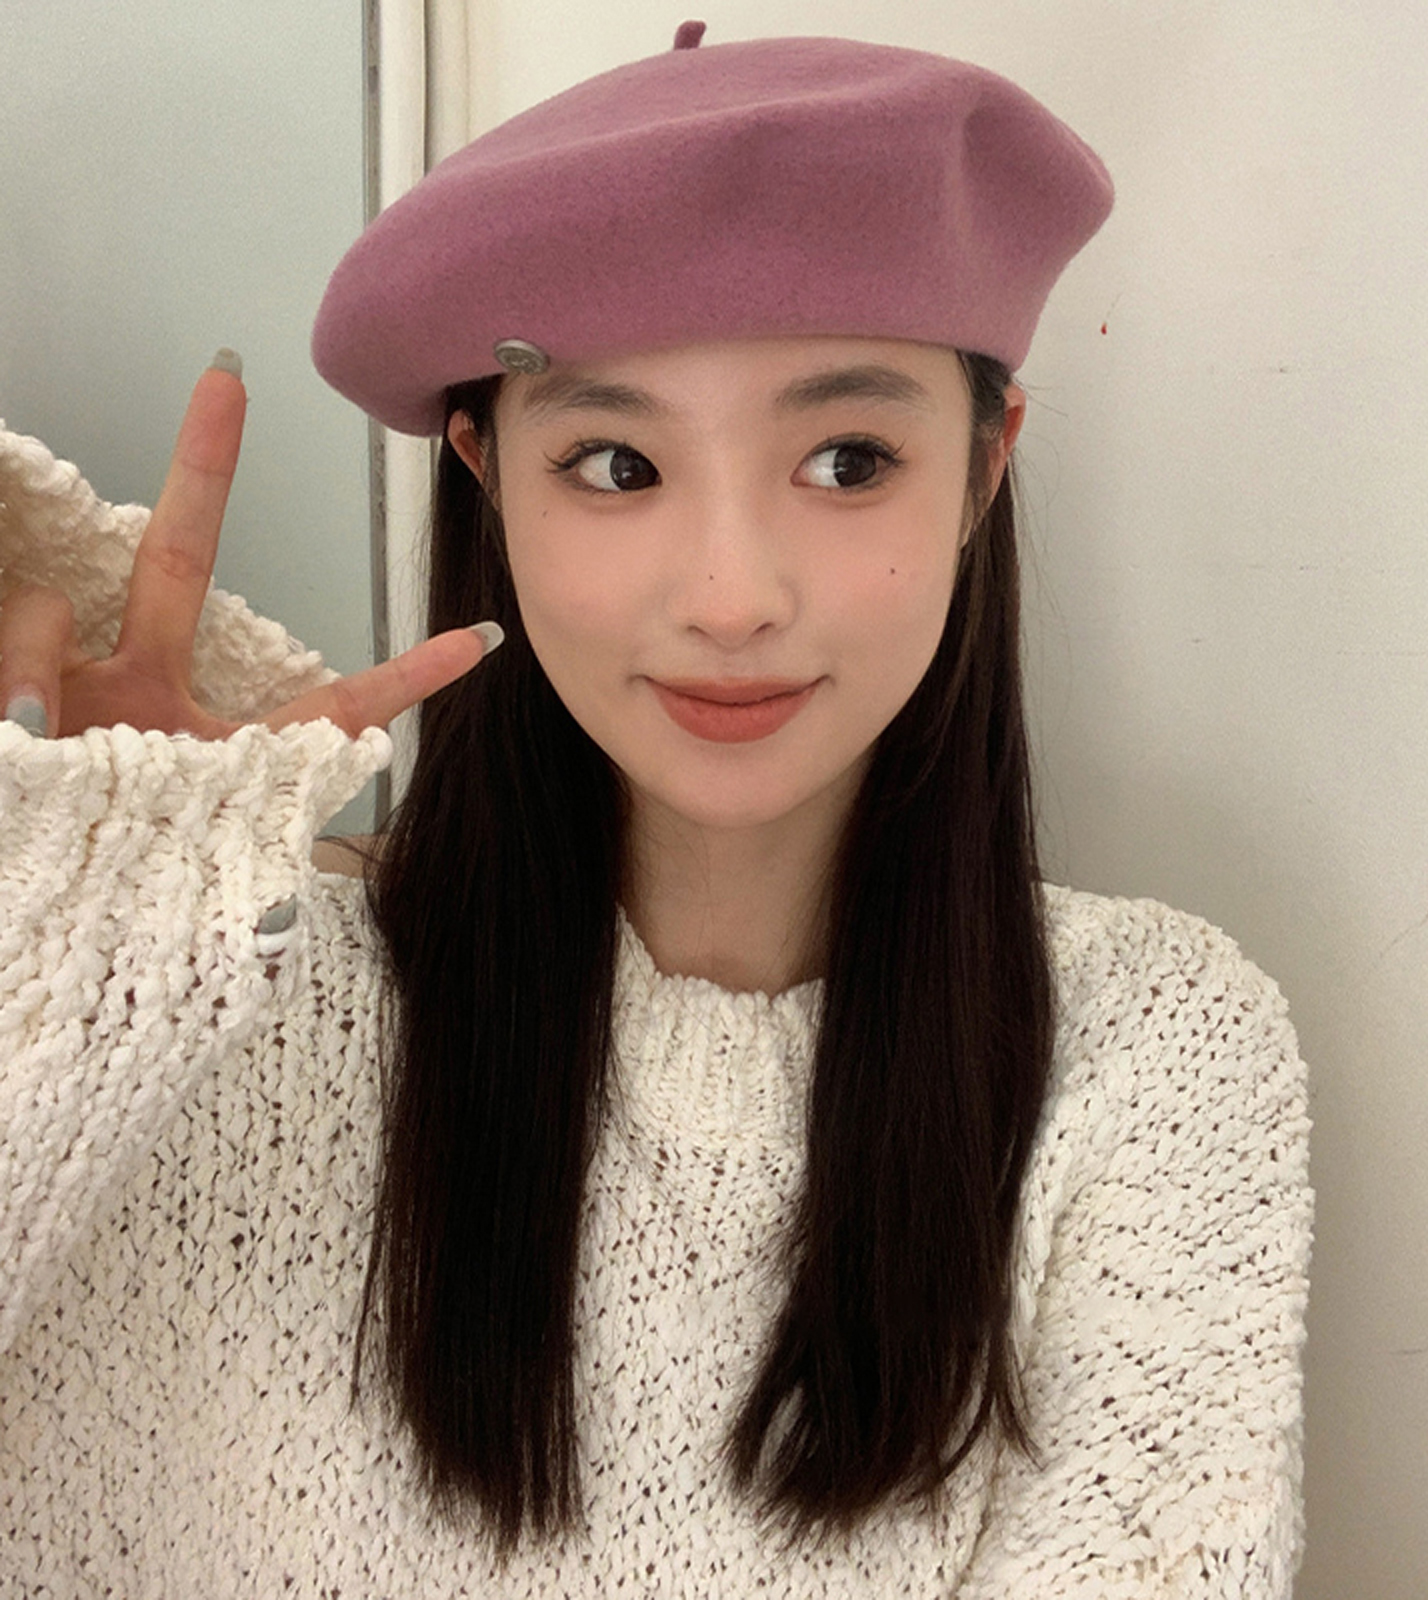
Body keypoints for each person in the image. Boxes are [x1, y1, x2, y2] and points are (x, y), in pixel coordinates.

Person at [0, 24, 1312, 1598]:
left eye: (849, 459)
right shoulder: (227, 994)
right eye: (617, 465)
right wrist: (65, 947)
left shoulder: (1151, 1050)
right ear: (489, 477)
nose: (731, 597)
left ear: (983, 468)